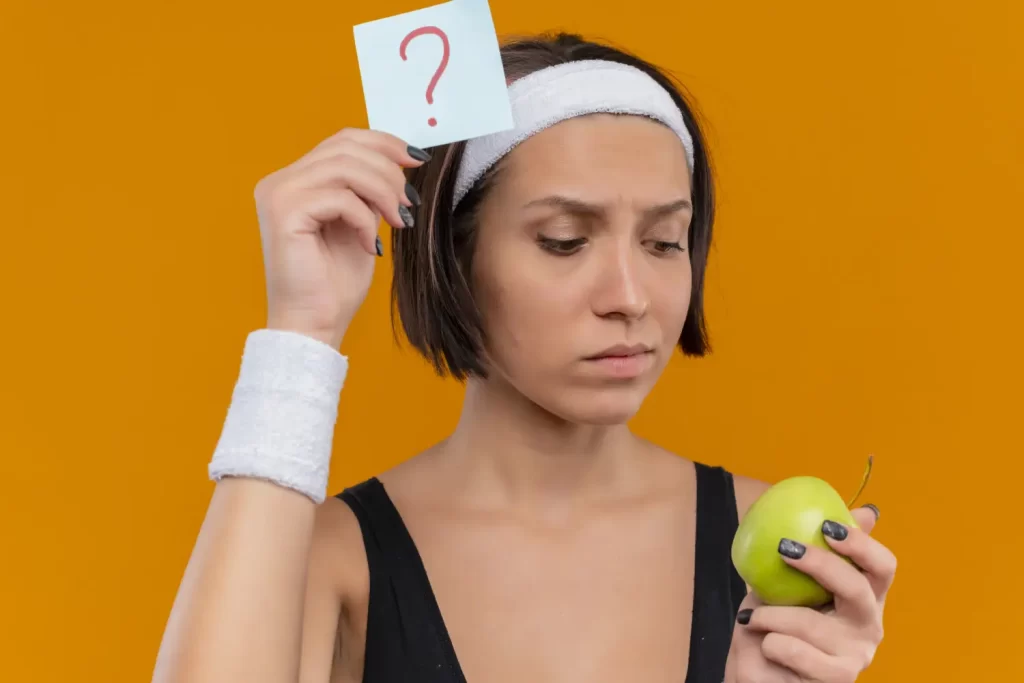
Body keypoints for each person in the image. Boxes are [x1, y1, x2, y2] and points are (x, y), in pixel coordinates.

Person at [152, 33, 897, 683]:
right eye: (565, 240)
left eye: (666, 241)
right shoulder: (334, 560)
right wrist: (300, 333)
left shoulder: (770, 546)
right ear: (453, 251)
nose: (631, 295)